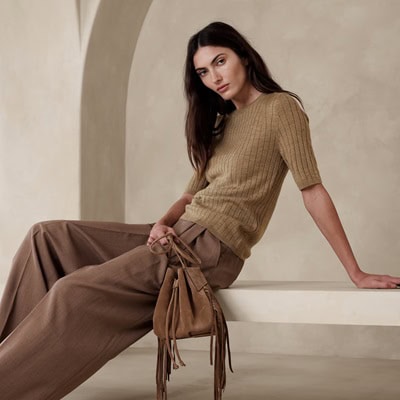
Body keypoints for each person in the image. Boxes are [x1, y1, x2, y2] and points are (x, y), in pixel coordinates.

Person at [0, 21, 399, 400]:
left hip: (211, 249)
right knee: (46, 237)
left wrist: (355, 271)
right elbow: (191, 195)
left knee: (73, 293)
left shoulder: (281, 109)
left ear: (243, 55)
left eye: (220, 61)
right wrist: (162, 223)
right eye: (204, 72)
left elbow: (312, 190)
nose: (214, 77)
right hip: (181, 233)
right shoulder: (222, 124)